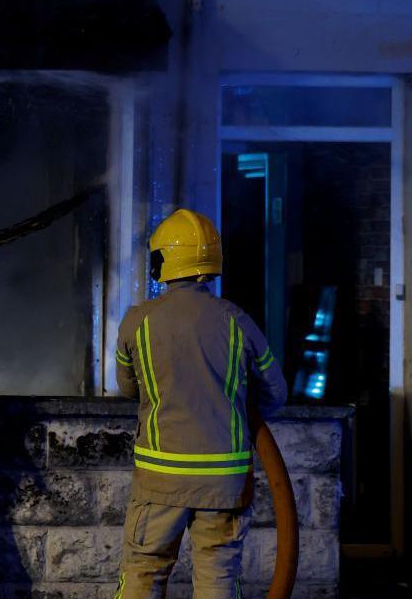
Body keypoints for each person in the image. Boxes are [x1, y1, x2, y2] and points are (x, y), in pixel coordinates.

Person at [113, 208, 287, 598]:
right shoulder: (237, 321)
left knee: (143, 574)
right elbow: (276, 393)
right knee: (218, 579)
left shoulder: (137, 321)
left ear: (164, 260)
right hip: (224, 485)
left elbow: (127, 388)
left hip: (160, 483)